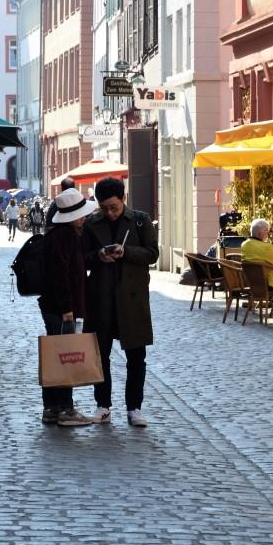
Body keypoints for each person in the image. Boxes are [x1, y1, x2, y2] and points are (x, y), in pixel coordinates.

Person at [83, 176, 158, 427]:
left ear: (123, 199)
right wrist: (98, 255)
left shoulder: (140, 220)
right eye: (104, 208)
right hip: (101, 299)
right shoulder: (92, 223)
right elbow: (81, 258)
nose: (109, 213)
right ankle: (102, 406)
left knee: (136, 357)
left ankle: (134, 408)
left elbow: (152, 254)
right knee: (99, 355)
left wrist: (126, 252)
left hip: (132, 300)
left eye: (113, 207)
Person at [39, 187, 98, 427]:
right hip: (62, 308)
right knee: (65, 358)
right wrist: (67, 308)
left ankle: (51, 409)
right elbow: (61, 275)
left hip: (54, 306)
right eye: (81, 214)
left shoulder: (55, 235)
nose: (84, 218)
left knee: (56, 356)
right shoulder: (67, 236)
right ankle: (65, 409)